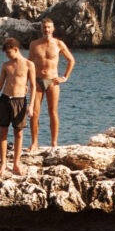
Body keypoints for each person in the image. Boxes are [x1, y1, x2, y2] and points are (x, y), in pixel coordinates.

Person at [0, 37, 36, 177]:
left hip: (20, 101)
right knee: (3, 131)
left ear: (16, 49)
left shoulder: (28, 64)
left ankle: (16, 164)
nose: (7, 55)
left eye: (8, 53)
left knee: (18, 132)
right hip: (5, 99)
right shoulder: (5, 65)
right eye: (6, 53)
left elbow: (33, 86)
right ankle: (3, 164)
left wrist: (31, 106)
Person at [28, 18, 75, 150]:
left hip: (53, 81)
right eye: (44, 27)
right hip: (37, 81)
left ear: (53, 29)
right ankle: (34, 142)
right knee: (34, 112)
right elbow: (29, 64)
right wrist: (25, 82)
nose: (46, 29)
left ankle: (54, 142)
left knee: (53, 112)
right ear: (41, 29)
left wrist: (65, 77)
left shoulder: (59, 44)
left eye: (49, 27)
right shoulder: (34, 44)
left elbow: (71, 60)